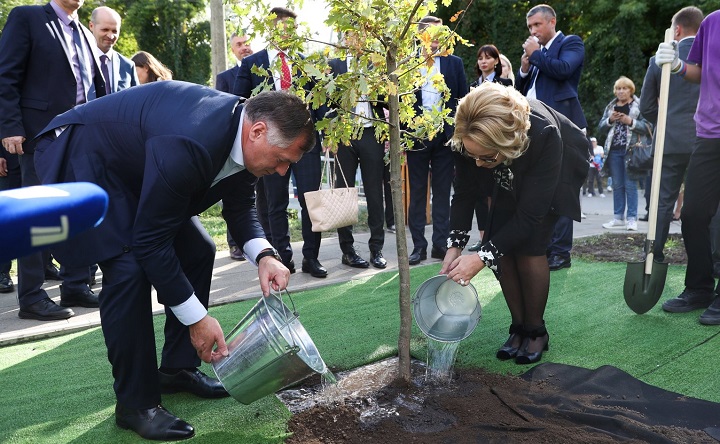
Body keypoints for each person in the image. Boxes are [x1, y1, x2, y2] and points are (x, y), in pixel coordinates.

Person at [34, 83, 314, 440]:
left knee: (199, 248)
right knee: (129, 267)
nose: (281, 173)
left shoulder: (245, 138)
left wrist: (264, 255)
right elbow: (151, 242)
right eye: (282, 160)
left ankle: (176, 370)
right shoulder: (191, 142)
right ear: (258, 132)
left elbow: (241, 206)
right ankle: (135, 404)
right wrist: (197, 318)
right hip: (84, 156)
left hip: (137, 165)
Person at [442, 82, 588, 365]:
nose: (478, 164)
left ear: (504, 144)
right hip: (506, 159)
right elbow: (463, 193)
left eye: (485, 158)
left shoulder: (544, 133)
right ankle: (517, 328)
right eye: (472, 156)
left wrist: (481, 258)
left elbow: (531, 217)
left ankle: (535, 331)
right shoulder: (467, 134)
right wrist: (455, 247)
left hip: (552, 165)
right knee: (499, 240)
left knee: (530, 246)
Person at [0, 0, 104, 321]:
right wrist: (11, 127)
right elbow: (6, 76)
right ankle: (31, 296)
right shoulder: (28, 17)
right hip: (39, 135)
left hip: (79, 137)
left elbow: (91, 88)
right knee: (37, 216)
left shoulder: (85, 32)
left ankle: (75, 284)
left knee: (75, 214)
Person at [233, 7, 327, 278]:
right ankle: (283, 257)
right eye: (284, 30)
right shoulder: (253, 63)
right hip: (271, 145)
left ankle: (312, 257)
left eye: (293, 31)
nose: (289, 35)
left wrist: (326, 133)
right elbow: (239, 102)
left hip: (305, 144)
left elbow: (319, 103)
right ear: (272, 30)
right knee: (275, 203)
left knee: (312, 202)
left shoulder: (304, 63)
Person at [655, 10, 720, 324]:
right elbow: (699, 72)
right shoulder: (711, 22)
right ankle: (699, 287)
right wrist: (679, 65)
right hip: (709, 132)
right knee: (693, 213)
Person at [516, 4, 588, 272]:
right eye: (530, 27)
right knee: (536, 188)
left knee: (562, 188)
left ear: (552, 22)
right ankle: (542, 247)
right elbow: (523, 90)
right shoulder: (538, 55)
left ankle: (560, 252)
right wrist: (524, 69)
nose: (533, 31)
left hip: (563, 126)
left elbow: (563, 70)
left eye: (537, 25)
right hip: (534, 128)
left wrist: (535, 56)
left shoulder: (571, 43)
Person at [639, 6, 703, 261]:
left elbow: (645, 107)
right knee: (707, 204)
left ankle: (655, 254)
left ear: (676, 30)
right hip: (705, 139)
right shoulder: (710, 57)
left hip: (668, 140)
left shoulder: (661, 59)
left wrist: (665, 122)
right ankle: (710, 256)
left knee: (662, 202)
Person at [407, 15, 468, 266]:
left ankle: (439, 245)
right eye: (432, 34)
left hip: (445, 137)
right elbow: (400, 103)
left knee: (443, 193)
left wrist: (459, 134)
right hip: (417, 137)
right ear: (421, 35)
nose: (436, 39)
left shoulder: (455, 63)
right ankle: (418, 246)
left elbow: (463, 99)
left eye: (440, 34)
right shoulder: (407, 64)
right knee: (418, 193)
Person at [326, 44, 389, 269]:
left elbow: (386, 99)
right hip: (344, 135)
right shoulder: (334, 64)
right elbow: (327, 101)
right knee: (344, 193)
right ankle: (348, 250)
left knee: (374, 193)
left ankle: (377, 249)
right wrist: (330, 135)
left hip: (372, 133)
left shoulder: (377, 62)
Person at [216, 31, 254, 261]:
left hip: (260, 143)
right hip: (235, 144)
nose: (244, 47)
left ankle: (256, 240)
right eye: (239, 44)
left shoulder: (262, 69)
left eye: (247, 42)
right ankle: (234, 244)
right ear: (233, 50)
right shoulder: (225, 77)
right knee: (233, 192)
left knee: (252, 198)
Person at [598, 76, 653, 232]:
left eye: (624, 88)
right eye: (618, 89)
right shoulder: (611, 106)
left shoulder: (639, 105)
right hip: (614, 150)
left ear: (631, 90)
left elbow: (649, 126)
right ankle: (617, 217)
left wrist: (631, 121)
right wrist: (610, 120)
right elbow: (601, 126)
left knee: (630, 185)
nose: (621, 91)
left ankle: (631, 219)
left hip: (632, 150)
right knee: (617, 185)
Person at [89, 6, 138, 93]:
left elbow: (137, 99)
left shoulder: (127, 66)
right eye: (105, 30)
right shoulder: (78, 60)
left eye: (114, 31)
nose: (110, 36)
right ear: (91, 26)